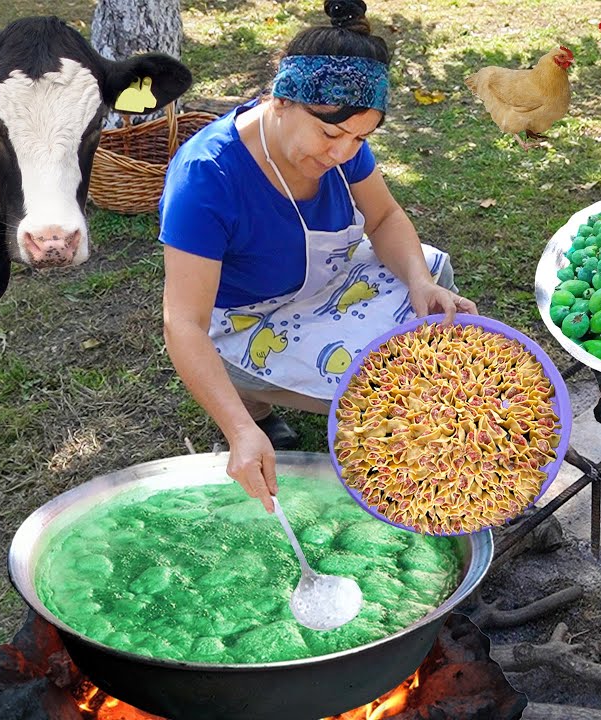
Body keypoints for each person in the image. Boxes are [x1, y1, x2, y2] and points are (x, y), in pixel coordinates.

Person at [159, 0, 477, 513]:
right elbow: (184, 324)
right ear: (280, 100)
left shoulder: (342, 137)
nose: (342, 154)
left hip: (327, 281)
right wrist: (238, 431)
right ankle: (252, 410)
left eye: (361, 138)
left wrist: (418, 281)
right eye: (331, 134)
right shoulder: (206, 176)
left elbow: (385, 219)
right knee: (378, 382)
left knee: (432, 277)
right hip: (245, 322)